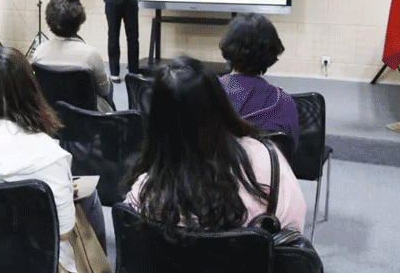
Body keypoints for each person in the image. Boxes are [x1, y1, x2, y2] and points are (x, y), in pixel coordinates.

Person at [0, 47, 113, 273]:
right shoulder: (49, 155)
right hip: (31, 264)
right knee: (89, 198)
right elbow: (62, 233)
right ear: (31, 89)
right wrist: (59, 192)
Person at [125, 57, 306, 234]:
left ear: (155, 121)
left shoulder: (143, 196)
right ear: (220, 103)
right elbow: (293, 232)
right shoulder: (268, 161)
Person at [219, 13, 300, 149]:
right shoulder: (284, 103)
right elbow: (291, 151)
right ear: (272, 52)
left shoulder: (205, 94)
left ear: (228, 46)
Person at [30, 0, 114, 112]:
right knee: (109, 85)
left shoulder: (39, 52)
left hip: (53, 115)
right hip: (87, 116)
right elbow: (104, 91)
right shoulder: (91, 55)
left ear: (49, 20)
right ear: (80, 20)